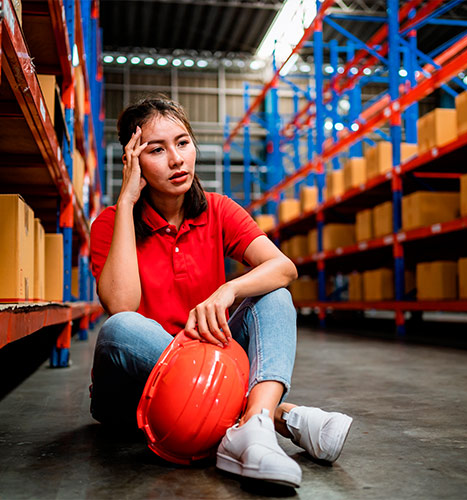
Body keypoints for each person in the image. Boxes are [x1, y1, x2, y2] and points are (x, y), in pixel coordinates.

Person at [89, 94, 353, 488]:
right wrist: (127, 200)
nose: (177, 159)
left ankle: (255, 424)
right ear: (133, 161)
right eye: (156, 150)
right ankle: (278, 416)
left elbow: (283, 267)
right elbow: (122, 306)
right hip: (135, 390)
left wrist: (229, 290)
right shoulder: (111, 223)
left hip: (211, 373)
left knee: (274, 294)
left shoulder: (217, 209)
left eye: (183, 142)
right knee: (121, 329)